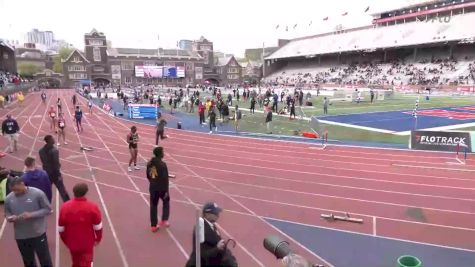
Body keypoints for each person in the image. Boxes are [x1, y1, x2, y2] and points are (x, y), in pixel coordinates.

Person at [4, 177, 53, 267]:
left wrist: (32, 214)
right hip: (21, 236)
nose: (16, 192)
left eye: (17, 189)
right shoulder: (8, 198)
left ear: (22, 184)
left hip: (38, 233)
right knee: (28, 262)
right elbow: (7, 213)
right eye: (13, 190)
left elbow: (47, 209)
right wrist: (10, 218)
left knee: (45, 260)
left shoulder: (38, 194)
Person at [58, 183, 103, 267]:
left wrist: (65, 241)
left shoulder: (65, 207)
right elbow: (98, 226)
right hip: (87, 243)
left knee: (75, 263)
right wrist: (98, 239)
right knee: (87, 263)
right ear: (86, 193)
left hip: (72, 243)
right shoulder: (92, 207)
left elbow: (61, 228)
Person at [185, 202, 237, 267]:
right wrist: (217, 248)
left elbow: (217, 242)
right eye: (215, 213)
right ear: (207, 214)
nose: (218, 215)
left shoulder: (211, 225)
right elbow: (201, 254)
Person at [39, 135, 71, 202]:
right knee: (62, 189)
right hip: (54, 174)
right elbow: (56, 164)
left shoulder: (41, 151)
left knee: (47, 190)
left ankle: (47, 204)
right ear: (49, 141)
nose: (54, 140)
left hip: (46, 173)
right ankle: (68, 203)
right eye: (52, 139)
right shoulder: (54, 150)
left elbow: (43, 162)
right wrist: (59, 174)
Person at [146, 147, 170, 232]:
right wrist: (166, 191)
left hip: (153, 188)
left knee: (154, 206)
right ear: (160, 154)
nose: (164, 153)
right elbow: (165, 178)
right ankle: (164, 220)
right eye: (163, 152)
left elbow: (150, 176)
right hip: (162, 189)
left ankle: (153, 225)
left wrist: (153, 183)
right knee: (166, 202)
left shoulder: (150, 163)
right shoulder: (162, 164)